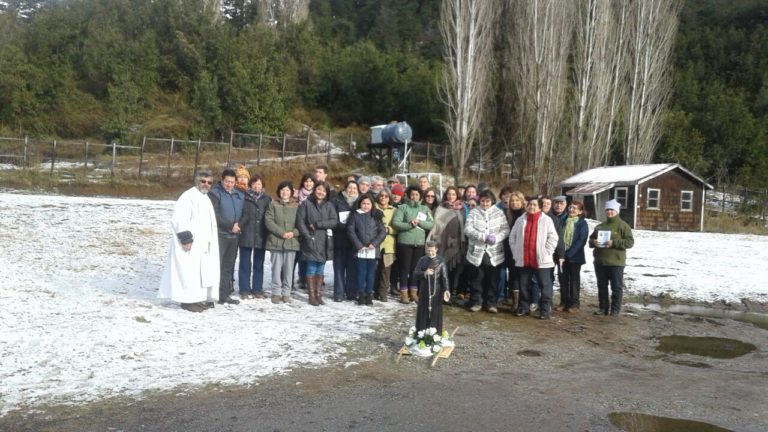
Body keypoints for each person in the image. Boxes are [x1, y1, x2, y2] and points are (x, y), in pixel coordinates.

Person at [159, 172, 220, 312]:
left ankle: (197, 298)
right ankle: (187, 301)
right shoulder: (188, 196)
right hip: (190, 244)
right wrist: (186, 239)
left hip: (204, 245)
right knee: (189, 272)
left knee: (200, 273)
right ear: (197, 181)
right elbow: (180, 218)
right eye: (203, 181)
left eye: (209, 182)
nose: (206, 184)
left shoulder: (205, 198)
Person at [508, 198, 559, 319]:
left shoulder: (546, 220)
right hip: (524, 259)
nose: (531, 207)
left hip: (541, 260)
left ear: (540, 207)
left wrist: (547, 252)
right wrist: (516, 252)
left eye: (535, 205)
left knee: (544, 285)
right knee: (524, 285)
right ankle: (524, 307)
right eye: (530, 204)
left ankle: (545, 310)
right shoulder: (521, 220)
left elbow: (553, 238)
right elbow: (512, 237)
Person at [464, 190, 510, 313]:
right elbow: (467, 229)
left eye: (487, 201)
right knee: (477, 278)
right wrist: (482, 236)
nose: (485, 203)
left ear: (492, 201)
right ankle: (476, 301)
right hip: (477, 251)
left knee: (492, 279)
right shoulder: (474, 212)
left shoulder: (499, 213)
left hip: (493, 252)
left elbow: (505, 230)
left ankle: (491, 303)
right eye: (483, 201)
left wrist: (496, 238)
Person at [589, 199, 634, 316]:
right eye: (607, 210)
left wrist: (614, 243)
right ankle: (603, 308)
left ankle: (615, 310)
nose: (609, 212)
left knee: (616, 287)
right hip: (600, 262)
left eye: (611, 210)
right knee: (602, 286)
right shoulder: (600, 226)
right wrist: (594, 242)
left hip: (616, 262)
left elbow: (630, 242)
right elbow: (590, 240)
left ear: (617, 211)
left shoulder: (623, 226)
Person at [296, 183, 337, 306]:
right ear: (314, 190)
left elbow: (334, 221)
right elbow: (300, 221)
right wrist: (307, 236)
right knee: (311, 267)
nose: (321, 192)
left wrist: (319, 224)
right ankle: (311, 295)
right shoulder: (306, 204)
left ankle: (319, 294)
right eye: (319, 189)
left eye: (324, 191)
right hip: (310, 238)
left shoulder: (329, 205)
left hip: (325, 240)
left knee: (320, 268)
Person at [392, 186, 434, 304]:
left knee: (415, 269)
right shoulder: (402, 208)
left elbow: (431, 224)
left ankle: (413, 293)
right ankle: (404, 293)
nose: (414, 197)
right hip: (405, 243)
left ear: (420, 196)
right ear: (408, 195)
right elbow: (396, 223)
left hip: (419, 244)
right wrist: (410, 224)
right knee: (404, 269)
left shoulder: (425, 209)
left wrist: (420, 222)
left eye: (416, 195)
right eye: (412, 194)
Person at [208, 168, 245, 305]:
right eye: (227, 181)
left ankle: (223, 295)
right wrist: (230, 226)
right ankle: (211, 295)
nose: (229, 184)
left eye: (232, 182)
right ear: (222, 181)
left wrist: (239, 225)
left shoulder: (240, 195)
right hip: (220, 236)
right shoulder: (215, 194)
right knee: (216, 265)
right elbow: (215, 215)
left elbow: (245, 213)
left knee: (228, 267)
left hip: (235, 237)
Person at [264, 181, 300, 304]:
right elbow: (269, 221)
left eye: (288, 190)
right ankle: (276, 292)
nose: (285, 192)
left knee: (289, 269)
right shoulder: (272, 204)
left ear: (291, 192)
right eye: (283, 190)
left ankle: (286, 293)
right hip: (276, 241)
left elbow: (301, 223)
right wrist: (281, 232)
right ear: (279, 191)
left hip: (291, 241)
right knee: (276, 268)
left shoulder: (296, 206)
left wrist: (293, 233)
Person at [347, 195, 387, 305]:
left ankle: (369, 294)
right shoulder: (355, 215)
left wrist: (374, 244)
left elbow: (383, 232)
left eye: (368, 204)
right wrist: (358, 245)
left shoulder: (376, 215)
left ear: (372, 205)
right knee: (361, 272)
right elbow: (351, 231)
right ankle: (361, 294)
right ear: (360, 204)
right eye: (363, 203)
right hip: (360, 249)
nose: (366, 206)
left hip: (372, 250)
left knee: (370, 274)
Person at [426, 186, 465, 298]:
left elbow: (463, 226)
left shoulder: (461, 209)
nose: (451, 196)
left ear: (457, 195)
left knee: (454, 270)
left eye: (453, 194)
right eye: (449, 194)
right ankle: (439, 292)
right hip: (442, 243)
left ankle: (449, 293)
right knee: (442, 269)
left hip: (456, 243)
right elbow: (437, 226)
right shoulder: (440, 208)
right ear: (445, 195)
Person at [238, 175, 271, 300]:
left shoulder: (267, 199)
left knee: (259, 264)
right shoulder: (244, 197)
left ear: (263, 186)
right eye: (254, 184)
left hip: (260, 235)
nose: (257, 186)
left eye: (259, 184)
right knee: (245, 264)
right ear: (250, 185)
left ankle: (257, 289)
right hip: (246, 234)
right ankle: (244, 289)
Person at [330, 180, 359, 301]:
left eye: (354, 188)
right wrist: (343, 226)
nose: (352, 190)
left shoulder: (360, 201)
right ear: (345, 189)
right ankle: (339, 293)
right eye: (350, 188)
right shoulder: (337, 201)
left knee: (352, 268)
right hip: (340, 238)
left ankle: (351, 292)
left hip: (354, 241)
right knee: (339, 268)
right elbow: (332, 218)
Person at [414, 241, 450, 334]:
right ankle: (421, 332)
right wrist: (424, 273)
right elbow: (415, 274)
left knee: (435, 311)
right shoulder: (422, 260)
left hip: (436, 290)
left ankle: (435, 334)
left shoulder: (441, 261)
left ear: (436, 249)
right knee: (423, 311)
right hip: (424, 289)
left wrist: (446, 290)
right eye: (428, 250)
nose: (430, 253)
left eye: (432, 251)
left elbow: (444, 277)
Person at [562, 200, 589, 312]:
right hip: (562, 256)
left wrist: (569, 254)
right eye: (570, 207)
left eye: (574, 208)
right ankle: (565, 302)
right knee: (564, 280)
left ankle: (575, 303)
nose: (571, 210)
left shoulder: (582, 223)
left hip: (575, 257)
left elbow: (581, 240)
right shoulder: (564, 220)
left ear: (580, 211)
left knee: (574, 280)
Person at [503, 190, 527, 310]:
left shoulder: (526, 215)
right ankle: (514, 301)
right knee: (512, 274)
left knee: (520, 276)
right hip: (508, 248)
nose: (514, 203)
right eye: (512, 201)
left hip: (522, 250)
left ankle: (522, 301)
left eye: (517, 200)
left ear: (522, 202)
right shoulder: (507, 214)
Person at [374, 188, 397, 302]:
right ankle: (374, 291)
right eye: (381, 195)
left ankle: (383, 293)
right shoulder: (373, 207)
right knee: (374, 268)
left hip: (389, 244)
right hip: (374, 242)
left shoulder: (394, 210)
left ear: (389, 198)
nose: (383, 198)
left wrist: (389, 230)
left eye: (386, 196)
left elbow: (397, 227)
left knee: (386, 269)